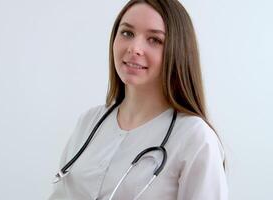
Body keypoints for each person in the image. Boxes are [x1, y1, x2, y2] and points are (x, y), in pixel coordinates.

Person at [49, 0, 228, 199]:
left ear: (177, 51)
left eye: (154, 39)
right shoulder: (89, 122)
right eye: (127, 33)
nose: (135, 48)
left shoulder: (194, 138)